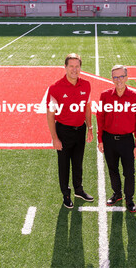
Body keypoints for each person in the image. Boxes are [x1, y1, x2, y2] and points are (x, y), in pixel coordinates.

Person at [47, 53, 94, 209]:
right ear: (65, 67)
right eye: (71, 66)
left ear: (80, 67)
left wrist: (90, 128)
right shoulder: (55, 87)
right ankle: (65, 194)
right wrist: (55, 138)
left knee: (78, 162)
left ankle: (78, 190)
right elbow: (50, 115)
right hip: (63, 131)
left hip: (80, 129)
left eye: (77, 66)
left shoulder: (86, 85)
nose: (74, 69)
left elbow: (87, 107)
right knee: (64, 165)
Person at [97, 65, 136, 213]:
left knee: (129, 172)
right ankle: (117, 194)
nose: (119, 80)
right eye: (115, 77)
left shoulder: (135, 97)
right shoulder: (104, 96)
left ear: (126, 77)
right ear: (112, 79)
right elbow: (100, 118)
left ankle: (129, 199)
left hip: (127, 141)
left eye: (121, 76)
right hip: (109, 139)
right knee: (112, 170)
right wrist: (100, 140)